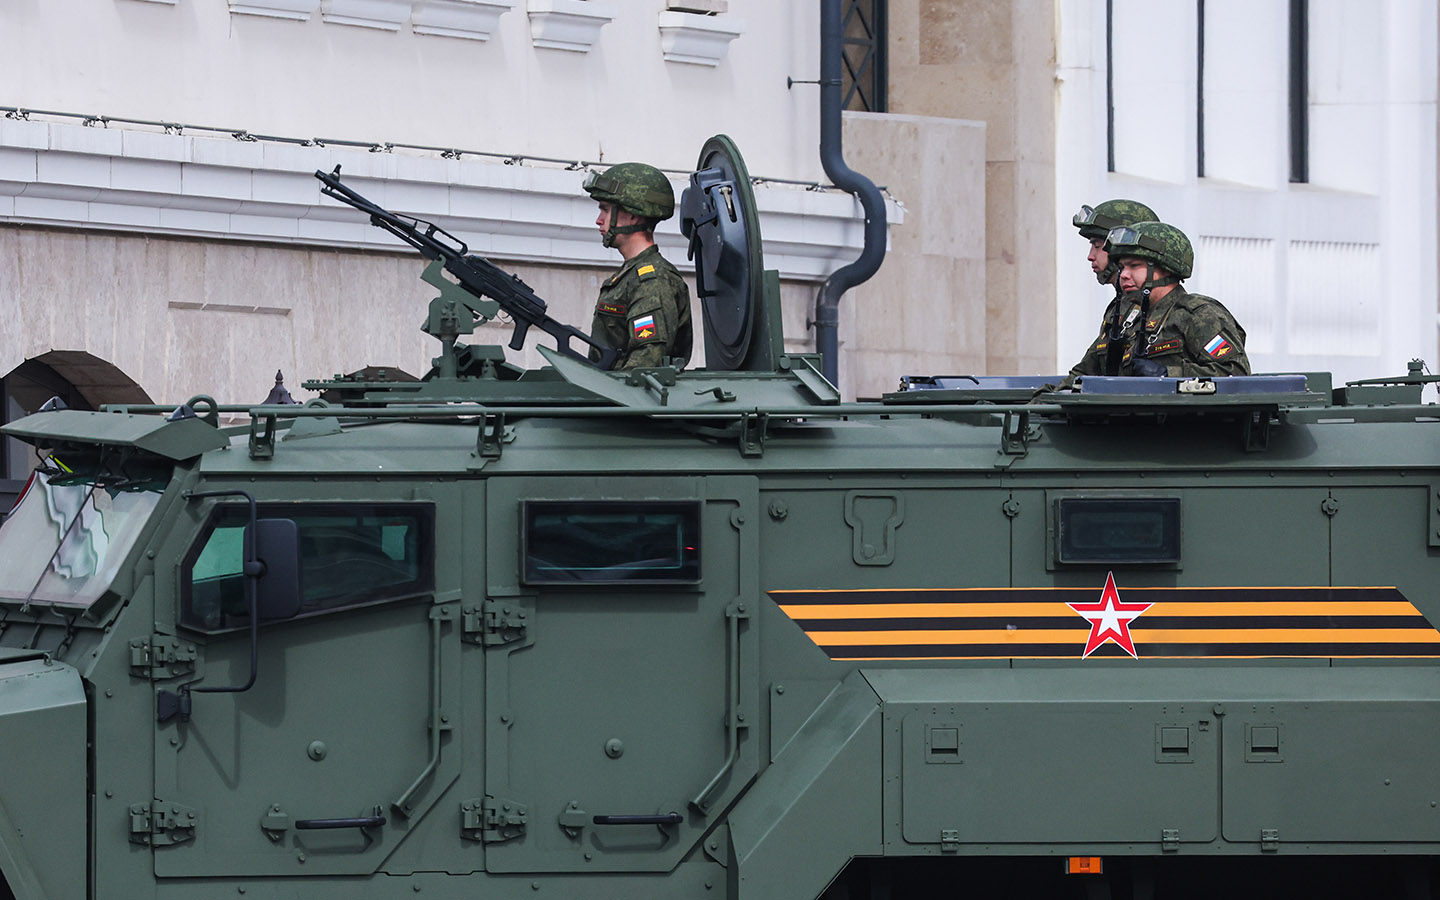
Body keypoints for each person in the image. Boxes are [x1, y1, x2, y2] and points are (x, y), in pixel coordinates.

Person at [1069, 221, 1249, 377]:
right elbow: (1084, 374)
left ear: (1166, 269)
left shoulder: (1198, 315)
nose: (1123, 274)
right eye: (1122, 267)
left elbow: (1234, 372)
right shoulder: (1129, 321)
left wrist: (1167, 374)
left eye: (1134, 266)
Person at [583, 163, 693, 370]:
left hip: (622, 399)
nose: (599, 220)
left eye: (605, 210)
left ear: (633, 215)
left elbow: (644, 364)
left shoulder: (653, 281)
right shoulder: (630, 276)